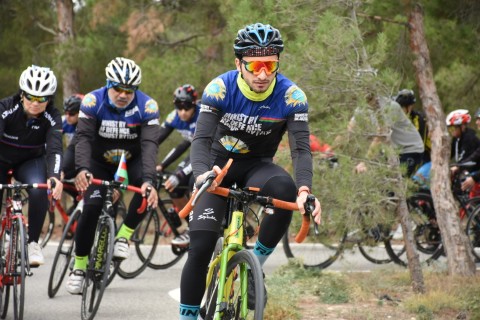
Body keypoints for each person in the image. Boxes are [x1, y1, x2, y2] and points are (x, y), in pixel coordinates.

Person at [178, 23, 321, 319]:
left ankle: (253, 265)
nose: (263, 74)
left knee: (286, 190)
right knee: (201, 245)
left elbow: (301, 150)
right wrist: (202, 174)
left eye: (270, 65)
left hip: (258, 167)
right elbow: (201, 140)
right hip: (216, 170)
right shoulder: (220, 88)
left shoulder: (292, 96)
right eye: (255, 65)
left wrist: (306, 190)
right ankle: (187, 315)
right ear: (238, 63)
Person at [66, 57, 160, 294]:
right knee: (92, 207)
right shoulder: (92, 101)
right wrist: (82, 169)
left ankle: (123, 236)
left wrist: (148, 179)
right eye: (118, 88)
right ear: (108, 84)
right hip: (99, 162)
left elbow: (149, 144)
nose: (123, 94)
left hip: (130, 162)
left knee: (148, 188)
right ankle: (78, 267)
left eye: (129, 90)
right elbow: (84, 138)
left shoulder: (147, 106)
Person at [0, 65, 64, 266]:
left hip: (30, 161)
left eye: (42, 99)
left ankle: (33, 242)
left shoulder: (52, 116)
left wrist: (54, 176)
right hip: (1, 159)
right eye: (31, 97)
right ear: (22, 94)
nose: (35, 103)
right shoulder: (6, 107)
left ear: (49, 99)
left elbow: (55, 148)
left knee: (39, 190)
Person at [156, 84, 199, 246]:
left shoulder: (202, 115)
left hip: (210, 151)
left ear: (194, 105)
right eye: (179, 107)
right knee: (173, 186)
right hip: (195, 150)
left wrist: (180, 174)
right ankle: (191, 225)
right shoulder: (174, 117)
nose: (182, 112)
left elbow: (200, 153)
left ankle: (198, 227)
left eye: (187, 107)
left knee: (190, 182)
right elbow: (156, 140)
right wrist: (160, 165)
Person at [354, 93, 425, 178]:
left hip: (410, 150)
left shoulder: (390, 106)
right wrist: (333, 149)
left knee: (393, 184)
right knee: (379, 181)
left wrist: (365, 162)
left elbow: (380, 137)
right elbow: (348, 131)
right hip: (393, 150)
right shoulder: (361, 108)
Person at [447, 109, 480, 194]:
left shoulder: (470, 138)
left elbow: (471, 158)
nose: (476, 122)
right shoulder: (456, 139)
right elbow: (449, 154)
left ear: (462, 127)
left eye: (479, 119)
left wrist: (474, 177)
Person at [395, 89, 431, 163]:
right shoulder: (396, 119)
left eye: (402, 108)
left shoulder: (419, 119)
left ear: (410, 107)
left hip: (424, 158)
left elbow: (420, 142)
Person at [62, 94, 84, 179]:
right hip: (72, 156)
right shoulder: (64, 121)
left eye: (71, 114)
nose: (67, 116)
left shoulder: (86, 124)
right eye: (65, 112)